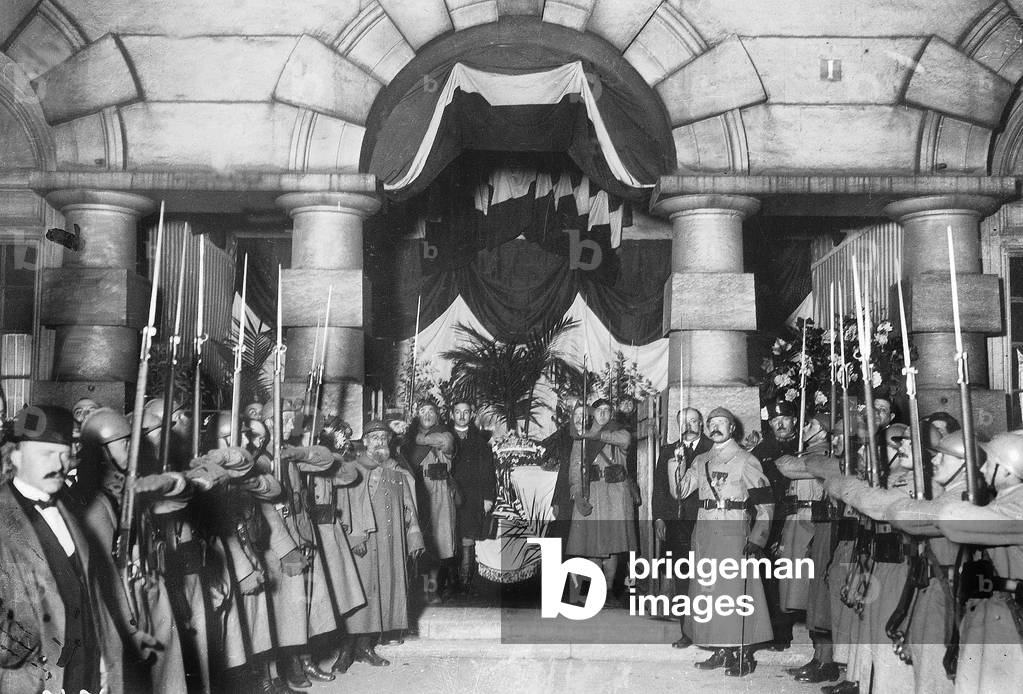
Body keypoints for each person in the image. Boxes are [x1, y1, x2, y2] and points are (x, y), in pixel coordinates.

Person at [0, 405, 156, 694]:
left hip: (88, 678)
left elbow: (93, 594)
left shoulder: (70, 508)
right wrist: (33, 645)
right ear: (17, 456)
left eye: (63, 453)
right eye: (46, 453)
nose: (58, 464)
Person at [673, 406, 774, 676]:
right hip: (705, 532)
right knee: (710, 594)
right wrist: (678, 462)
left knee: (736, 593)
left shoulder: (745, 460)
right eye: (712, 423)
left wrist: (758, 538)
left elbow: (765, 503)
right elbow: (680, 492)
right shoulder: (700, 459)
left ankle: (743, 654)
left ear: (732, 428)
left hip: (733, 532)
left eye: (722, 423)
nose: (715, 427)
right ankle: (721, 649)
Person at [937, 432, 1023, 694]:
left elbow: (951, 519)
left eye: (989, 462)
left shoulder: (1017, 505)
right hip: (990, 607)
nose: (982, 467)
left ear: (1008, 471)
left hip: (1011, 616)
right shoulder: (1003, 500)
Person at [336, 420, 424, 671]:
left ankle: (365, 647)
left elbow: (409, 507)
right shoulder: (352, 467)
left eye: (384, 438)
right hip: (362, 542)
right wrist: (355, 536)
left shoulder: (397, 471)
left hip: (389, 542)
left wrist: (414, 538)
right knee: (358, 596)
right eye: (374, 438)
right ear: (364, 442)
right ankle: (345, 651)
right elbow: (344, 504)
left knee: (382, 594)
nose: (380, 442)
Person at [774, 415, 840, 684]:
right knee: (809, 599)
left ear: (824, 432)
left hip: (812, 526)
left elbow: (786, 467)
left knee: (817, 596)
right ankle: (818, 657)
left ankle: (826, 660)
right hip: (797, 523)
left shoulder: (823, 455)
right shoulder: (808, 454)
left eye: (810, 425)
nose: (804, 428)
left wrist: (782, 453)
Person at [652, 407, 712, 648]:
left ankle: (709, 630)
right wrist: (659, 518)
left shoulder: (711, 448)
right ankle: (686, 630)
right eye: (684, 421)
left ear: (701, 424)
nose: (689, 425)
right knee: (681, 575)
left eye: (694, 421)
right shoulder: (669, 450)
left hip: (703, 519)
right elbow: (658, 488)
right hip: (676, 524)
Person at [566, 398, 639, 594]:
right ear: (592, 412)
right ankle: (597, 590)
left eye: (608, 410)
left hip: (614, 494)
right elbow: (575, 467)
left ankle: (607, 588)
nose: (604, 413)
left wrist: (595, 434)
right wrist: (577, 493)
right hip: (592, 492)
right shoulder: (581, 438)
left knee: (612, 544)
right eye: (600, 409)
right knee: (593, 545)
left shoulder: (617, 431)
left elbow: (625, 440)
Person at [751, 398, 801, 650]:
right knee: (770, 578)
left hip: (797, 520)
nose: (780, 424)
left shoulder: (804, 447)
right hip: (770, 521)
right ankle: (776, 633)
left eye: (785, 419)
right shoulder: (760, 453)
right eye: (775, 420)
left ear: (794, 420)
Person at [403, 401, 457, 603]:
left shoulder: (445, 433)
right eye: (422, 411)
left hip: (440, 491)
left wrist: (418, 437)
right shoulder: (408, 439)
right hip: (417, 491)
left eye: (430, 411)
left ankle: (437, 590)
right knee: (421, 541)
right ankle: (422, 591)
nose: (426, 415)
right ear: (417, 415)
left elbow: (445, 443)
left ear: (437, 414)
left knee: (442, 543)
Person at [449, 400, 497, 596]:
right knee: (448, 538)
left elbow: (488, 472)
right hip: (448, 495)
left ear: (471, 415)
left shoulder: (479, 441)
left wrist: (487, 498)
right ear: (451, 415)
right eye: (458, 412)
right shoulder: (444, 437)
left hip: (472, 497)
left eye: (466, 412)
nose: (461, 416)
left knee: (468, 538)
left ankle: (465, 584)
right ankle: (449, 584)